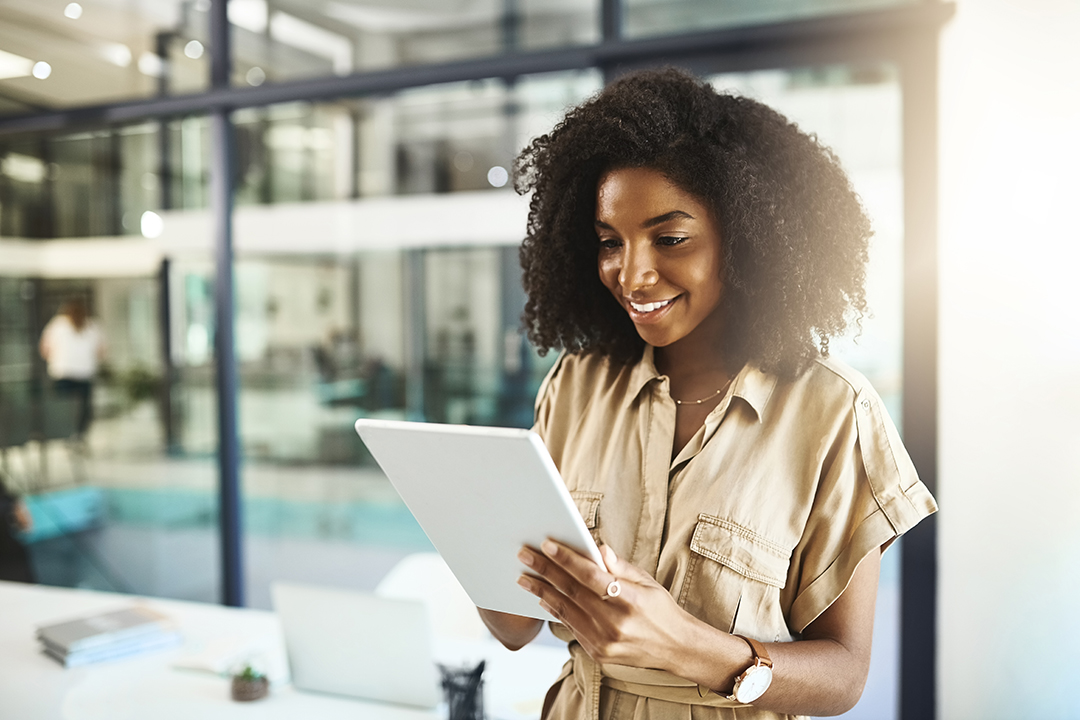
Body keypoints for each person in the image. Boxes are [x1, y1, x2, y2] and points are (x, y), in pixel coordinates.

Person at [478, 68, 937, 720]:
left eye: (669, 239)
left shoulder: (835, 414)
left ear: (747, 240)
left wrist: (684, 644)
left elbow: (843, 677)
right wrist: (472, 523)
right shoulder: (577, 386)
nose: (631, 273)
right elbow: (511, 628)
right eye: (610, 242)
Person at [39, 299, 105, 441]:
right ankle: (78, 437)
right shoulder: (91, 325)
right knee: (83, 410)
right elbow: (101, 351)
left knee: (65, 410)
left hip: (64, 373)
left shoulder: (57, 325)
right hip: (82, 374)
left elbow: (44, 349)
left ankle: (67, 436)